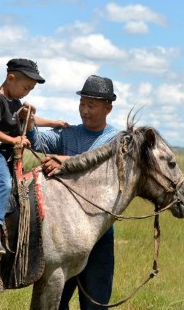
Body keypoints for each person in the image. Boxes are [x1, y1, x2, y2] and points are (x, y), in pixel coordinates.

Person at [26, 74, 119, 309]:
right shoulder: (69, 133)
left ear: (108, 107)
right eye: (82, 104)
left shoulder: (118, 139)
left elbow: (100, 165)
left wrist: (64, 161)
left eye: (91, 105)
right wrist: (28, 124)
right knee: (57, 300)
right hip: (64, 233)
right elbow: (38, 141)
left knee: (95, 302)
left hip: (98, 233)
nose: (85, 111)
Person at [0, 58, 66, 254]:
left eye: (30, 90)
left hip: (8, 156)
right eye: (25, 87)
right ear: (11, 78)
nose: (26, 92)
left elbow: (30, 120)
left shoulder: (15, 102)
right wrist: (14, 140)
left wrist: (54, 123)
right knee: (4, 183)